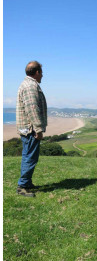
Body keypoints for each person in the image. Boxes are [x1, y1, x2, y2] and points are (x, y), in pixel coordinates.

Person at [16, 61, 47, 197]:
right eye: (41, 72)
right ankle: (22, 186)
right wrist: (38, 129)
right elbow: (32, 109)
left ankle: (26, 182)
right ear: (37, 72)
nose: (43, 76)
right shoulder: (30, 86)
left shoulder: (28, 84)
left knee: (28, 155)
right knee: (30, 157)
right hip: (31, 129)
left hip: (28, 128)